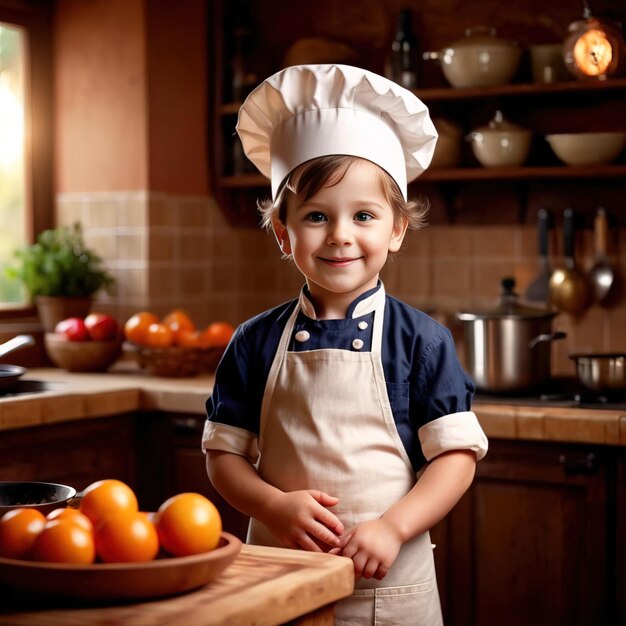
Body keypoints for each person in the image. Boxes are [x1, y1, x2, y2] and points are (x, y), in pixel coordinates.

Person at [203, 64, 488, 625]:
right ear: (284, 234)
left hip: (390, 590)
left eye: (364, 215)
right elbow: (223, 456)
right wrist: (273, 505)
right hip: (277, 580)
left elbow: (455, 460)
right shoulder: (254, 342)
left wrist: (393, 527)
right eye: (315, 216)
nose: (340, 234)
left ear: (397, 230)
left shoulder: (422, 342)